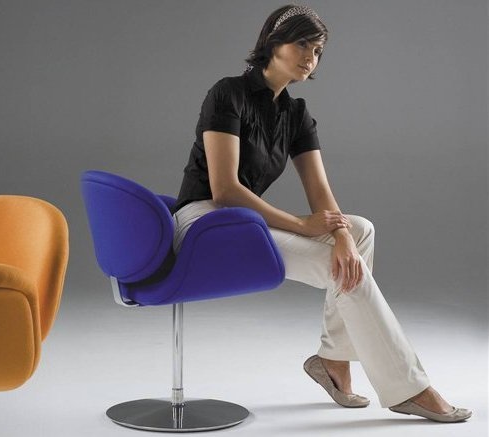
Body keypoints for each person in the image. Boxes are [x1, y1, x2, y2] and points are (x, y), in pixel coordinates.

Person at [171, 4, 471, 423]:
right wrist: (301, 225)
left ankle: (333, 360)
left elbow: (321, 193)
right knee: (341, 266)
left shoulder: (296, 115)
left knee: (360, 232)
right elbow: (225, 190)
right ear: (273, 43)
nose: (311, 57)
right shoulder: (228, 94)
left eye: (318, 51)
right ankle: (410, 388)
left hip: (246, 222)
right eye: (302, 44)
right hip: (204, 223)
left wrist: (342, 235)